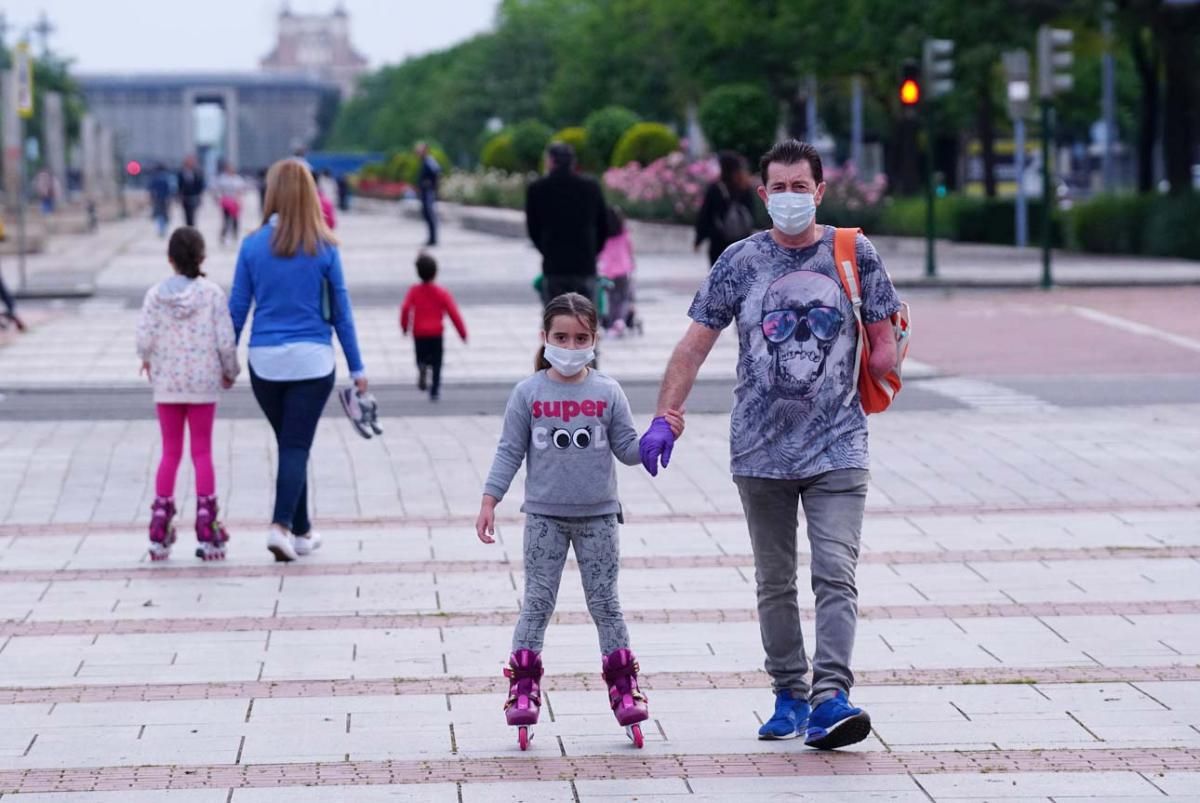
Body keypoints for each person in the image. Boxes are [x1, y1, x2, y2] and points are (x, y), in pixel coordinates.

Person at [639, 140, 902, 750]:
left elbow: (886, 339)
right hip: (760, 450)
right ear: (762, 195)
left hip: (839, 445)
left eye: (799, 187)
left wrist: (876, 365)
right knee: (775, 580)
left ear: (819, 191)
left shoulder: (853, 252)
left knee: (836, 572)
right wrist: (665, 414)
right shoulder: (740, 261)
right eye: (777, 188)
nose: (789, 198)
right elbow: (693, 344)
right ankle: (788, 691)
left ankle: (830, 696)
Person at [475, 292, 684, 751]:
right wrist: (491, 499)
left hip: (599, 518)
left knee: (605, 604)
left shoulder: (607, 391)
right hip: (546, 518)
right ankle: (524, 685)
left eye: (580, 337)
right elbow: (509, 450)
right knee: (537, 602)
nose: (570, 346)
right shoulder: (528, 393)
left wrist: (658, 434)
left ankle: (624, 685)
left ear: (593, 339)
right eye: (561, 337)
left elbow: (627, 448)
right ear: (545, 338)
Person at [229, 159, 367, 563]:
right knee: (295, 444)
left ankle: (303, 531)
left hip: (264, 362)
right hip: (313, 362)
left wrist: (224, 359)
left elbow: (237, 308)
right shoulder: (324, 247)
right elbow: (341, 312)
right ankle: (280, 526)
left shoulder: (252, 246)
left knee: (292, 443)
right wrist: (357, 368)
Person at [135, 227, 240, 561]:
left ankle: (159, 524)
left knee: (170, 452)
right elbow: (225, 339)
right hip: (202, 384)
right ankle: (208, 525)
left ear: (170, 260)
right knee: (202, 452)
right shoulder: (212, 295)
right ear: (202, 258)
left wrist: (148, 360)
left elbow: (143, 339)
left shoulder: (155, 295)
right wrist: (230, 371)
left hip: (167, 384)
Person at [525, 142, 609, 304]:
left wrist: (547, 249)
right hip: (585, 262)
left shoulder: (537, 188)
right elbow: (603, 225)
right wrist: (593, 251)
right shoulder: (591, 187)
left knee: (557, 317)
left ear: (550, 161)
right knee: (584, 319)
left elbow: (533, 228)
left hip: (554, 264)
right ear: (573, 162)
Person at [400, 251, 467, 402]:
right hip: (436, 333)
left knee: (420, 357)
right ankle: (435, 390)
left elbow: (405, 308)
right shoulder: (441, 292)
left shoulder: (414, 291)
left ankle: (422, 366)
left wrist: (404, 327)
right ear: (435, 272)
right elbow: (453, 312)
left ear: (418, 272)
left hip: (419, 333)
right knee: (437, 362)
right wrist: (462, 333)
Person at [694, 151, 757, 267]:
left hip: (719, 241)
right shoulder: (744, 187)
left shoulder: (715, 188)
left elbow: (705, 215)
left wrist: (699, 239)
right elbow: (751, 212)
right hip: (742, 241)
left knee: (719, 277)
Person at [597, 205, 637, 336]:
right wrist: (632, 263)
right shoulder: (624, 232)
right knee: (623, 298)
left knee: (610, 298)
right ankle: (620, 321)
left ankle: (610, 322)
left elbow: (598, 252)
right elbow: (629, 248)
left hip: (607, 271)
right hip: (623, 271)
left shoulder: (602, 234)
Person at [212, 162, 247, 245]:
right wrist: (218, 198)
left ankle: (235, 235)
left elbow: (242, 190)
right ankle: (223, 236)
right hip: (226, 202)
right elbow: (216, 189)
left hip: (235, 202)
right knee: (226, 220)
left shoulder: (238, 179)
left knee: (235, 220)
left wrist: (238, 199)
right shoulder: (222, 179)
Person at [415, 143, 441, 246]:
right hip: (425, 192)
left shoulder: (430, 161)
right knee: (427, 215)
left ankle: (433, 238)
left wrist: (432, 185)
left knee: (430, 215)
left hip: (429, 192)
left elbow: (437, 173)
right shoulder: (424, 161)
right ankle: (431, 238)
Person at [177, 156, 206, 228]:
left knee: (192, 212)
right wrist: (179, 195)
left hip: (194, 195)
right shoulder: (181, 172)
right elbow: (179, 184)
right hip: (185, 195)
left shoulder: (198, 172)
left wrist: (200, 194)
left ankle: (191, 226)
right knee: (186, 212)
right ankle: (188, 226)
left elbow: (201, 183)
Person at [148, 163, 173, 238]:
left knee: (159, 214)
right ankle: (164, 229)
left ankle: (161, 229)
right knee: (165, 215)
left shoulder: (154, 177)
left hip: (157, 199)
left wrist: (151, 199)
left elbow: (151, 189)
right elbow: (170, 190)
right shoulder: (167, 178)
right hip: (165, 199)